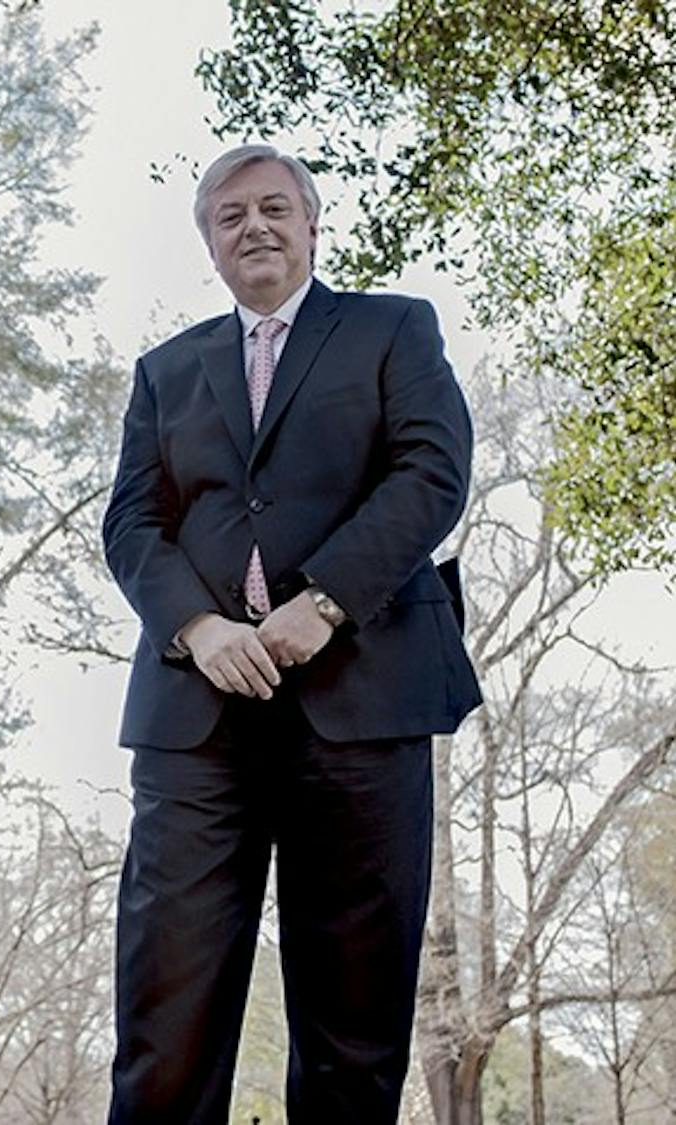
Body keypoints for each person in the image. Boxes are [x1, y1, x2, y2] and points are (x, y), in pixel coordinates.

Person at [102, 143, 481, 1123]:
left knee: (355, 1030)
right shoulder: (166, 371)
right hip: (197, 720)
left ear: (314, 225)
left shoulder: (394, 331)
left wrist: (323, 604)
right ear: (210, 246)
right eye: (230, 218)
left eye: (275, 208)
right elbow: (133, 525)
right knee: (163, 1018)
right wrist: (196, 625)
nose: (254, 227)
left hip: (366, 700)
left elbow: (430, 475)